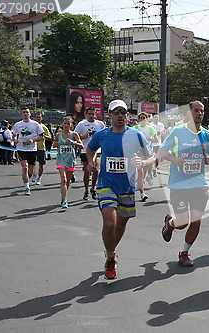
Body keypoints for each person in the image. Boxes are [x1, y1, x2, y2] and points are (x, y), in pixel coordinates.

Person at [86, 100, 151, 280]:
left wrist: (142, 162)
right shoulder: (102, 135)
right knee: (110, 223)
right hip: (106, 184)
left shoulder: (136, 135)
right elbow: (90, 149)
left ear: (127, 115)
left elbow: (150, 157)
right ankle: (110, 257)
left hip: (127, 187)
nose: (121, 115)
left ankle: (111, 251)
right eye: (117, 112)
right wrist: (91, 162)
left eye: (124, 112)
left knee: (121, 224)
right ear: (110, 115)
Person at [159, 100, 209, 267]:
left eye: (202, 111)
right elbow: (162, 152)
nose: (199, 113)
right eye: (196, 111)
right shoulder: (178, 132)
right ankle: (171, 223)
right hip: (179, 185)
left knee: (197, 220)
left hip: (199, 184)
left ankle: (184, 252)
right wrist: (175, 159)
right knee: (183, 222)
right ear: (189, 113)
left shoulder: (207, 135)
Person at [74, 107, 105, 200]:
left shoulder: (100, 124)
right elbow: (75, 136)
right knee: (87, 171)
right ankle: (86, 190)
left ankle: (93, 188)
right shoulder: (81, 124)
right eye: (89, 114)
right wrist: (83, 137)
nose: (91, 116)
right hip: (85, 150)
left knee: (96, 170)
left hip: (97, 150)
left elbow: (104, 135)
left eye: (93, 114)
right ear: (86, 114)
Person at [11, 108, 44, 195]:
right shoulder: (18, 124)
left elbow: (42, 136)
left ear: (30, 114)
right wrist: (15, 140)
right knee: (24, 167)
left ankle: (32, 174)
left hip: (32, 149)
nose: (25, 114)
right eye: (23, 112)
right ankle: (27, 187)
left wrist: (33, 141)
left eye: (27, 112)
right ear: (21, 114)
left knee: (30, 169)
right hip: (21, 148)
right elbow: (14, 135)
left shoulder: (35, 124)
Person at [55, 116, 84, 208]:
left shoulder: (74, 134)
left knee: (67, 182)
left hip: (70, 160)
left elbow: (81, 146)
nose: (66, 125)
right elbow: (55, 143)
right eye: (65, 123)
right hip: (61, 159)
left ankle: (63, 196)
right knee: (63, 179)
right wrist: (56, 144)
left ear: (71, 125)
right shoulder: (58, 135)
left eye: (68, 124)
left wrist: (73, 142)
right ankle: (65, 200)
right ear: (62, 124)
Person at [134, 112, 158, 201]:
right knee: (139, 171)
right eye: (140, 118)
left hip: (147, 151)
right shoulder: (135, 128)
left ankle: (141, 186)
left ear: (147, 119)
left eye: (144, 118)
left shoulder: (150, 128)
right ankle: (142, 192)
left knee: (143, 172)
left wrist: (147, 138)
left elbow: (156, 139)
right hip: (137, 151)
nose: (142, 119)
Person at [32, 112, 52, 185]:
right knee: (31, 164)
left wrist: (44, 136)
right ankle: (34, 173)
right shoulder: (31, 126)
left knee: (41, 164)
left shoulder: (43, 127)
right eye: (37, 117)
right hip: (32, 147)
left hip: (41, 148)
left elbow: (50, 137)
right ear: (34, 118)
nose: (38, 118)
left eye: (39, 117)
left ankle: (39, 177)